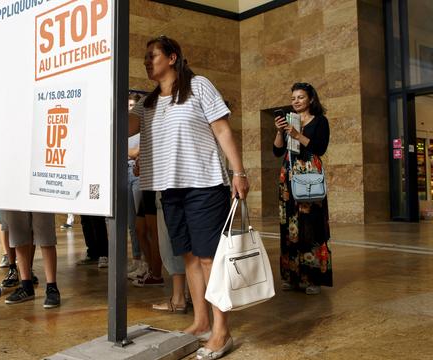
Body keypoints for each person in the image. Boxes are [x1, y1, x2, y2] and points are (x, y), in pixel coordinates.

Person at [129, 35, 249, 359]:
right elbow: (124, 126)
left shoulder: (199, 86)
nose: (146, 60)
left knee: (209, 258)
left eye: (152, 55)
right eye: (145, 56)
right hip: (170, 189)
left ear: (172, 57)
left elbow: (222, 130)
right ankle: (200, 321)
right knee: (189, 257)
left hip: (205, 185)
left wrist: (239, 172)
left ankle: (222, 331)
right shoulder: (150, 103)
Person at [273, 82, 332, 295]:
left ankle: (313, 278)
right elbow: (277, 151)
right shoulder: (290, 120)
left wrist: (297, 134)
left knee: (310, 225)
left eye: (300, 97)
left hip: (308, 176)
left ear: (311, 99)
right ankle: (291, 275)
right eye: (293, 98)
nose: (296, 101)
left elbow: (320, 148)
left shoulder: (320, 121)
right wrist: (281, 131)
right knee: (289, 226)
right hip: (288, 176)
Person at [3, 211, 60, 308]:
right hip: (15, 196)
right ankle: (26, 287)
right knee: (18, 234)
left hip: (42, 197)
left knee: (45, 234)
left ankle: (52, 288)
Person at [127, 93, 145, 274]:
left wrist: (130, 152)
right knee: (131, 223)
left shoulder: (141, 126)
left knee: (143, 223)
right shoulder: (127, 127)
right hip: (124, 172)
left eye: (133, 105)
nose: (130, 107)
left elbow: (135, 152)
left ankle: (147, 263)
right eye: (128, 104)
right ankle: (136, 260)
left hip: (138, 173)